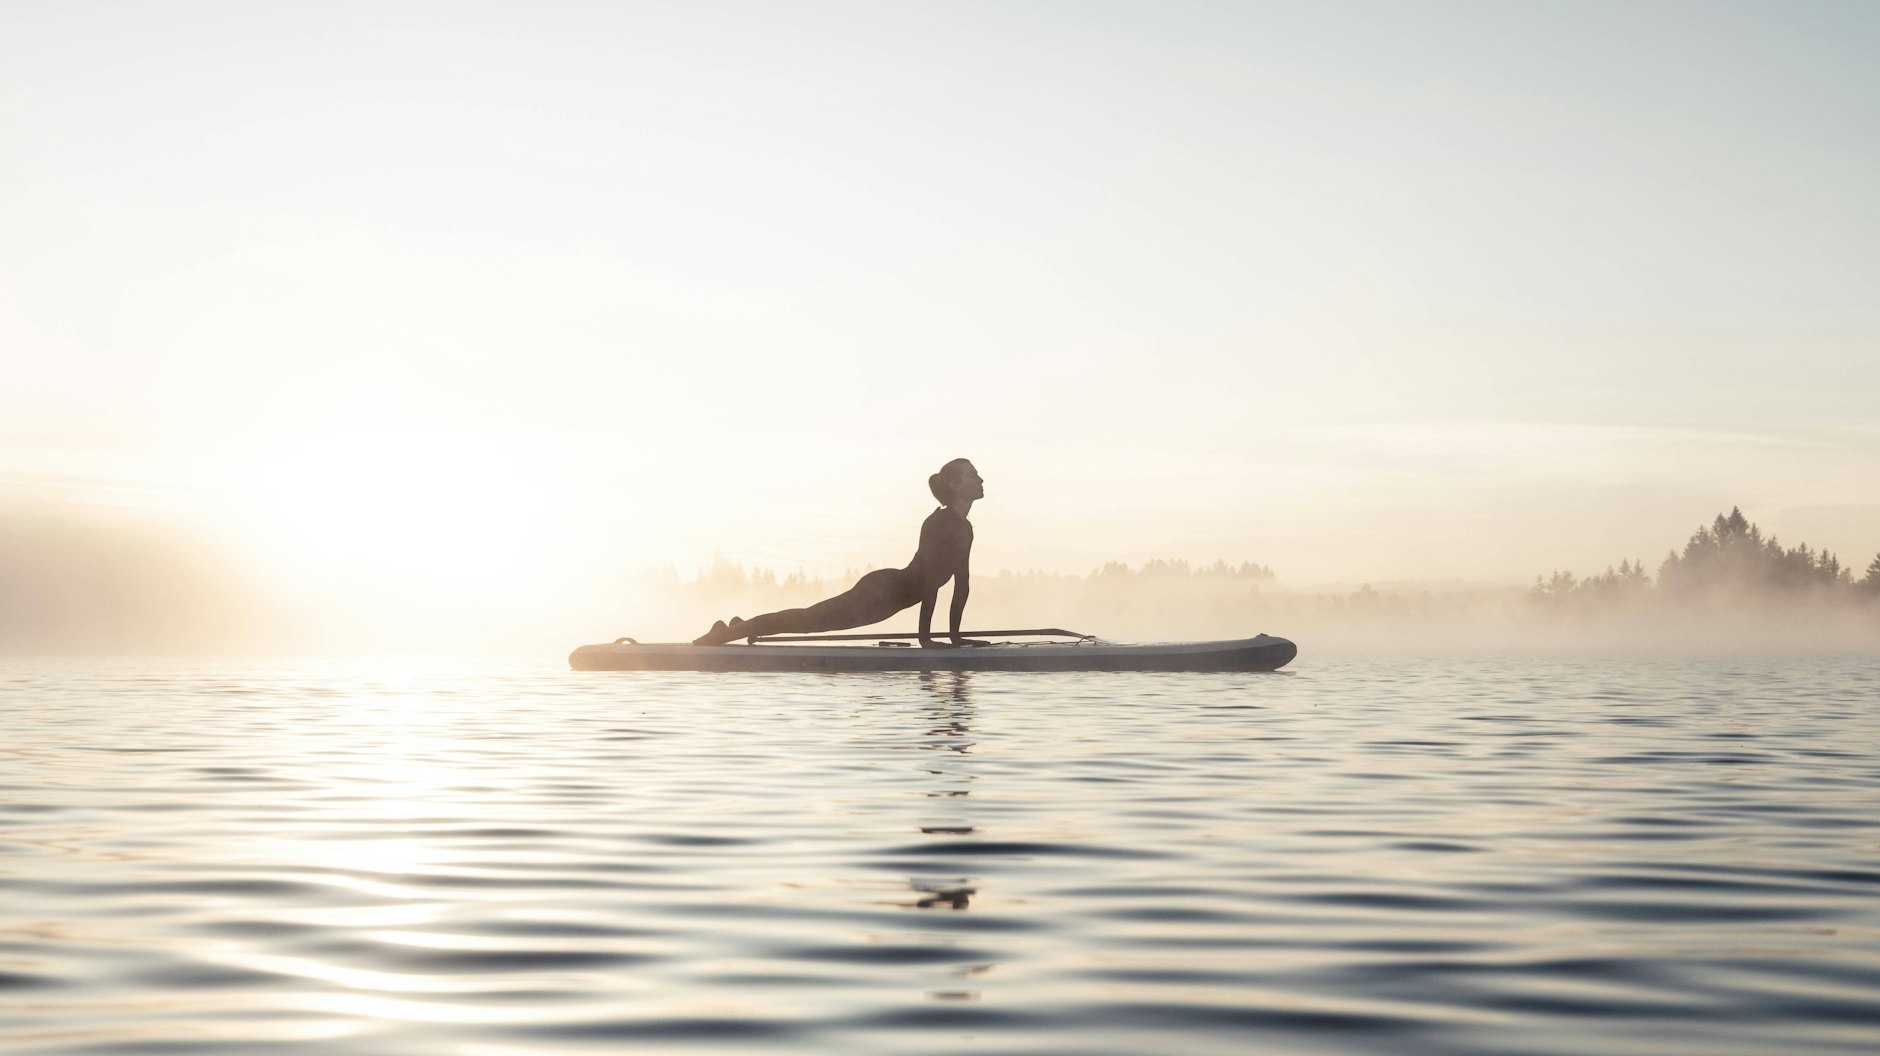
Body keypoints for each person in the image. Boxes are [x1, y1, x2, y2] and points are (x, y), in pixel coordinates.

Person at [694, 459, 987, 647]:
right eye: (973, 475)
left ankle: (741, 626)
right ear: (955, 484)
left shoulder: (964, 528)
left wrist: (955, 637)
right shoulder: (940, 523)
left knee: (808, 620)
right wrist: (926, 639)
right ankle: (722, 634)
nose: (981, 480)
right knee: (809, 621)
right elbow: (929, 582)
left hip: (891, 600)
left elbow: (962, 586)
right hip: (881, 593)